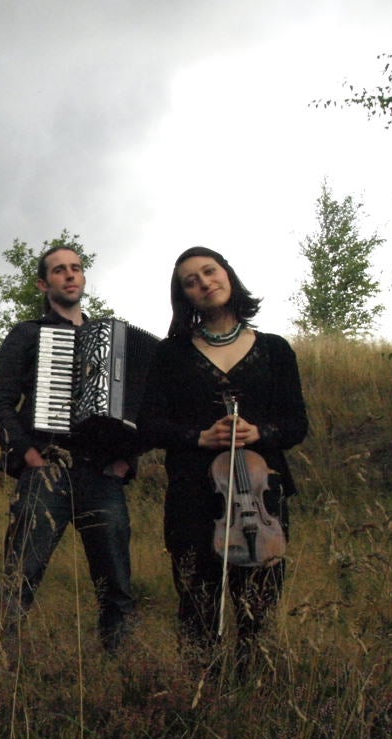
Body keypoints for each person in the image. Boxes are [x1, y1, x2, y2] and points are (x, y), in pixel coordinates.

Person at [138, 246, 308, 676]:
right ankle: (203, 698)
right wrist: (198, 436)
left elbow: (296, 424)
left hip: (262, 496)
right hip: (193, 496)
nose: (203, 282)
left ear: (227, 275)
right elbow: (149, 425)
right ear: (184, 296)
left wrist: (261, 433)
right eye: (190, 281)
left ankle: (253, 696)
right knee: (197, 606)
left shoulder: (274, 350)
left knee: (258, 609)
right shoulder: (171, 354)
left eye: (209, 272)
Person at [0, 244, 137, 650]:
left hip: (102, 472)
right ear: (43, 283)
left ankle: (118, 669)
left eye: (76, 268)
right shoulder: (29, 334)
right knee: (21, 574)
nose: (69, 275)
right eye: (59, 270)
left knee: (116, 583)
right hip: (46, 468)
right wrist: (25, 453)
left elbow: (136, 408)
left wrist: (126, 459)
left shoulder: (115, 339)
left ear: (83, 278)